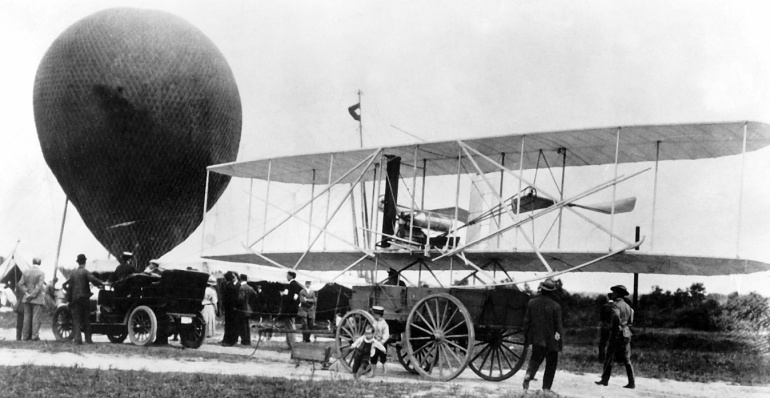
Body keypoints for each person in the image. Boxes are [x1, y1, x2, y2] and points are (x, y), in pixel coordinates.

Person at [522, 278, 563, 393]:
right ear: (552, 291)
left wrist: (527, 338)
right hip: (551, 340)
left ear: (542, 289)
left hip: (537, 338)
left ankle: (528, 375)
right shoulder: (556, 306)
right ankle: (546, 388)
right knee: (551, 363)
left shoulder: (532, 302)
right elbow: (558, 327)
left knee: (535, 358)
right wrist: (560, 343)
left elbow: (526, 322)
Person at [596, 285, 636, 389]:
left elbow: (615, 319)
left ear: (617, 293)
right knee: (627, 359)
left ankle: (605, 380)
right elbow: (630, 321)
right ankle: (632, 382)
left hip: (617, 333)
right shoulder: (628, 306)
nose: (612, 294)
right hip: (627, 333)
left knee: (609, 356)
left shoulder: (616, 305)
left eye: (614, 292)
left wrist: (612, 329)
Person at [66, 254, 104, 344]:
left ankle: (78, 339)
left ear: (78, 262)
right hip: (84, 299)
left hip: (75, 299)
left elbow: (70, 288)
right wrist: (102, 283)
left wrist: (68, 300)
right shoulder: (85, 272)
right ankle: (88, 339)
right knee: (86, 319)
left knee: (76, 319)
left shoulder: (73, 273)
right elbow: (93, 279)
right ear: (85, 262)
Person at [18, 257, 46, 341]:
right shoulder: (41, 273)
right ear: (40, 263)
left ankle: (25, 336)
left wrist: (27, 293)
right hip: (37, 299)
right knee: (36, 318)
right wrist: (32, 295)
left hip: (26, 298)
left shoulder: (25, 271)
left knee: (26, 318)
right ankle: (34, 336)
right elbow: (39, 286)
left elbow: (20, 284)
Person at [277, 271, 303, 348]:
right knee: (289, 326)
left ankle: (292, 344)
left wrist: (283, 295)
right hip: (292, 310)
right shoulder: (296, 285)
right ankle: (289, 344)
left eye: (287, 275)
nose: (286, 277)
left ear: (291, 276)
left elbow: (289, 298)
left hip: (289, 310)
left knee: (290, 327)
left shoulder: (291, 285)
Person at [369, 306, 390, 377]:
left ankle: (385, 373)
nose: (373, 316)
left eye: (374, 314)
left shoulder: (384, 324)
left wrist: (382, 342)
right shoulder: (374, 322)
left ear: (378, 315)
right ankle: (372, 373)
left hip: (381, 343)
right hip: (375, 343)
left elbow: (386, 335)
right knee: (373, 357)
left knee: (383, 358)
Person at [220, 272, 239, 346]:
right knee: (230, 325)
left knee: (229, 325)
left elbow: (228, 299)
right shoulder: (231, 286)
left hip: (229, 309)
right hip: (231, 308)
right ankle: (228, 339)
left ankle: (230, 341)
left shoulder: (229, 287)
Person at [237, 274, 256, 345]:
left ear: (240, 279)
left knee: (242, 325)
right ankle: (248, 340)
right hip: (248, 308)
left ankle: (244, 340)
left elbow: (240, 299)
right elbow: (255, 295)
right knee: (247, 325)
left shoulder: (241, 288)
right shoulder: (250, 287)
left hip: (242, 308)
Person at [598, 293, 615, 362]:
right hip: (614, 327)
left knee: (602, 343)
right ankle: (612, 358)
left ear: (608, 298)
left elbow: (601, 318)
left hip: (605, 326)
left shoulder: (604, 306)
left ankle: (601, 359)